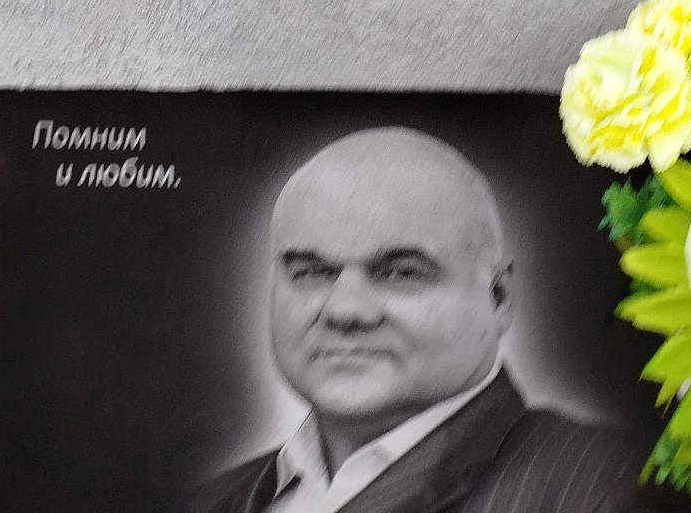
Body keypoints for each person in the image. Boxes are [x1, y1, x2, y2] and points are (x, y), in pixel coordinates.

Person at [196, 128, 633, 513]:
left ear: (498, 297)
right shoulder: (211, 500)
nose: (345, 311)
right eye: (312, 272)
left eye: (401, 273)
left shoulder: (606, 486)